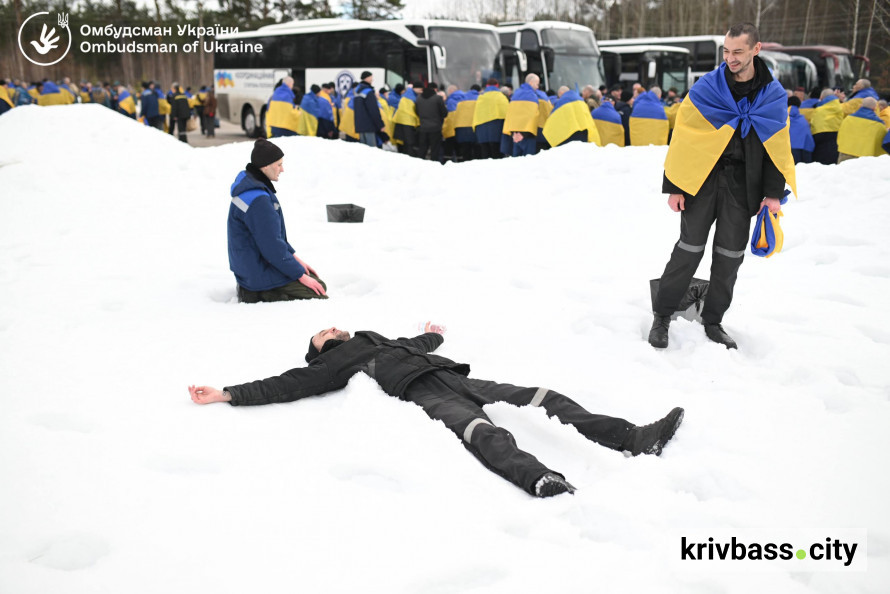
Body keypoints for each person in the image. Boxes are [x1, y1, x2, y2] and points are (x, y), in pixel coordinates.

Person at [189, 325, 685, 498]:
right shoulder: (332, 364)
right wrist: (227, 393)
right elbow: (287, 384)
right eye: (321, 335)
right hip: (425, 393)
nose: (330, 329)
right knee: (481, 431)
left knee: (543, 396)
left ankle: (632, 438)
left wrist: (434, 335)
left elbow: (413, 343)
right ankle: (540, 479)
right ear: (322, 351)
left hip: (453, 376)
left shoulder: (372, 338)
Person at [649, 23, 796, 350]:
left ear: (756, 50)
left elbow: (777, 147)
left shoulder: (771, 95)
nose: (730, 58)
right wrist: (676, 186)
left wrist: (773, 194)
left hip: (744, 185)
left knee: (730, 255)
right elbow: (684, 138)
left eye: (738, 52)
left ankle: (713, 320)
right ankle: (662, 315)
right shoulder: (707, 88)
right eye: (726, 51)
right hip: (703, 180)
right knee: (689, 248)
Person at [228, 139, 328, 303]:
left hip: (249, 268)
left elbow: (272, 239)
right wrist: (299, 275)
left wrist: (296, 259)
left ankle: (254, 289)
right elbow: (272, 247)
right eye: (279, 164)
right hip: (256, 274)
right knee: (319, 290)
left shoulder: (251, 187)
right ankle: (258, 295)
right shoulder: (259, 200)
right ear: (266, 166)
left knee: (313, 279)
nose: (282, 169)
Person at [836, 96, 887, 161]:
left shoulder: (848, 119)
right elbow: (881, 145)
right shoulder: (879, 125)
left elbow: (840, 136)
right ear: (874, 108)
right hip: (865, 159)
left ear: (860, 106)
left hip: (846, 154)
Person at [415, 81, 448, 161]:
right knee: (435, 150)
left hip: (423, 128)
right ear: (435, 89)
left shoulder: (418, 98)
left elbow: (417, 112)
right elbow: (444, 113)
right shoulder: (438, 98)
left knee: (422, 150)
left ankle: (419, 167)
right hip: (435, 128)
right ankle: (434, 167)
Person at [353, 71, 386, 148]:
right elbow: (374, 110)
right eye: (371, 77)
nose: (372, 79)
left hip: (360, 125)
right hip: (369, 125)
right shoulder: (368, 92)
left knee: (364, 150)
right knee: (371, 150)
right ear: (367, 78)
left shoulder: (357, 91)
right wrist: (380, 125)